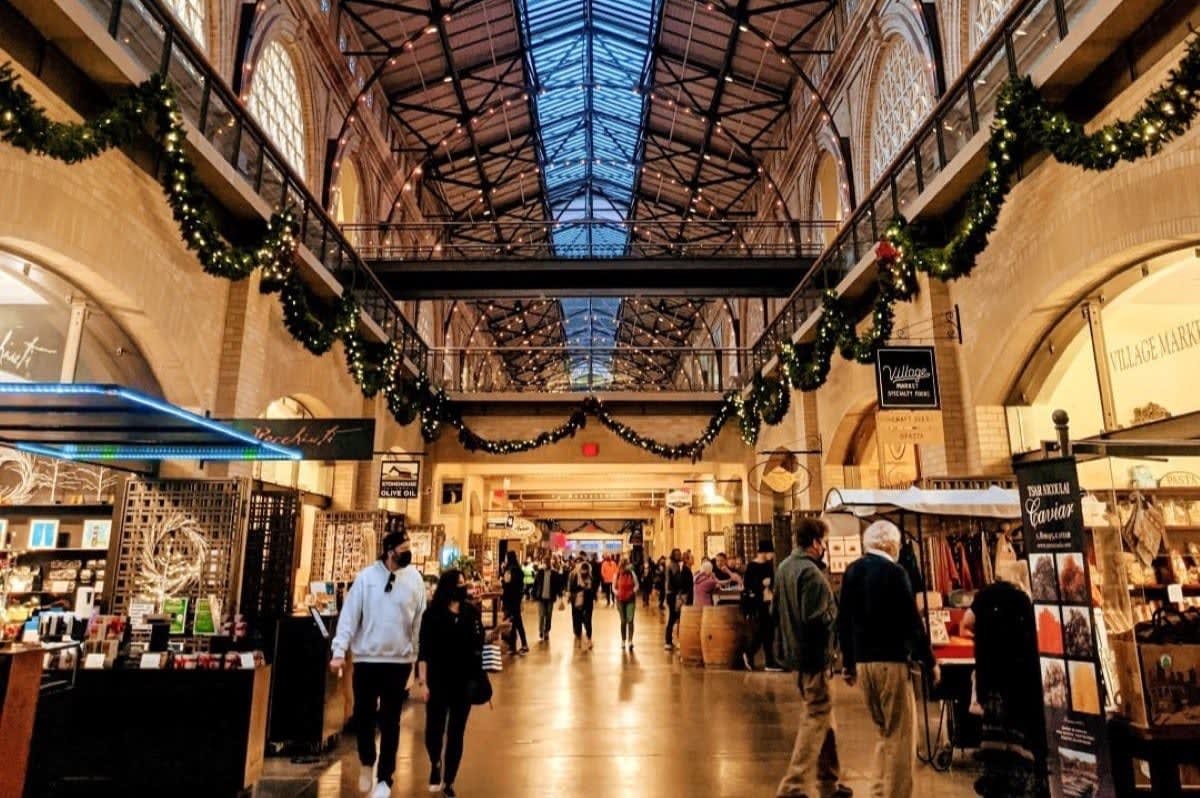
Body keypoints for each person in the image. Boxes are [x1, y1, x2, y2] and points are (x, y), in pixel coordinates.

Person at [839, 520, 938, 798]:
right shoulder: (895, 573)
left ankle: (878, 791)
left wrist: (847, 663)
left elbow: (843, 620)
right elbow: (911, 622)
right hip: (891, 663)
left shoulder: (852, 571)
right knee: (901, 737)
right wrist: (930, 662)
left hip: (862, 664)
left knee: (884, 731)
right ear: (891, 544)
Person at [330, 530, 426, 798]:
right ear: (389, 550)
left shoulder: (415, 580)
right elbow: (349, 617)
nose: (407, 552)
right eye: (403, 547)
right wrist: (339, 650)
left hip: (399, 661)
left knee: (391, 721)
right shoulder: (366, 579)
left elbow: (419, 621)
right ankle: (366, 760)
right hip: (367, 659)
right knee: (364, 714)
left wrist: (419, 660)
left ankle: (385, 778)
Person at [774, 518, 852, 798]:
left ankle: (829, 782)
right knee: (816, 716)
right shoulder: (812, 575)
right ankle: (792, 785)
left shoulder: (784, 568)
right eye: (824, 542)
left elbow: (777, 611)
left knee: (825, 718)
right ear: (816, 542)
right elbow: (818, 619)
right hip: (815, 658)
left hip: (794, 656)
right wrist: (837, 611)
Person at [417, 569, 484, 798]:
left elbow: (478, 644)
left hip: (463, 681)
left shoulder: (471, 613)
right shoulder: (432, 615)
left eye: (464, 583)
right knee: (434, 730)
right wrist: (423, 681)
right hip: (438, 680)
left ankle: (449, 781)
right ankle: (435, 761)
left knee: (457, 732)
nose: (463, 587)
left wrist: (494, 635)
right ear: (448, 587)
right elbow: (423, 650)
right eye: (460, 583)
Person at [742, 539, 781, 671]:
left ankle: (769, 661)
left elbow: (773, 581)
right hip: (758, 603)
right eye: (771, 552)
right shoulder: (752, 566)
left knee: (768, 632)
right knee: (762, 631)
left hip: (769, 601)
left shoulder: (768, 566)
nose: (773, 555)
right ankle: (750, 653)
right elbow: (748, 585)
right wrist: (761, 584)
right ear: (765, 552)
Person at [501, 550, 528, 655]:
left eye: (506, 557)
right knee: (515, 623)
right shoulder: (519, 570)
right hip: (517, 599)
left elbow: (506, 584)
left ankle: (519, 645)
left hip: (510, 600)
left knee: (514, 623)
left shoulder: (509, 570)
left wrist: (503, 573)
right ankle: (516, 645)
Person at [532, 554, 564, 642]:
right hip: (541, 598)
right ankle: (541, 631)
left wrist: (560, 594)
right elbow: (535, 585)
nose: (546, 564)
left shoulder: (554, 574)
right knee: (542, 615)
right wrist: (533, 594)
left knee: (549, 616)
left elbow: (558, 586)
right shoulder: (540, 573)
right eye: (544, 562)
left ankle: (547, 631)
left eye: (547, 562)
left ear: (550, 563)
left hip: (550, 598)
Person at [569, 560, 596, 650]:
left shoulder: (591, 578)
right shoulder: (575, 576)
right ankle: (579, 639)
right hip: (578, 602)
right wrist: (581, 588)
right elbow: (572, 589)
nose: (584, 572)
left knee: (588, 621)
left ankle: (589, 639)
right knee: (578, 621)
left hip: (588, 603)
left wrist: (590, 591)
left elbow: (594, 590)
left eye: (586, 570)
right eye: (583, 570)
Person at [614, 557, 640, 650]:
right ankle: (623, 640)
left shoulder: (632, 574)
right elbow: (614, 587)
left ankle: (630, 641)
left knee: (630, 620)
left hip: (630, 600)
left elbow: (637, 585)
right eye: (624, 564)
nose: (626, 566)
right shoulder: (617, 574)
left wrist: (632, 592)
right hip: (620, 600)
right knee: (623, 621)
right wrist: (617, 593)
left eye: (627, 564)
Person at [664, 548, 685, 649]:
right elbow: (676, 581)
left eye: (679, 554)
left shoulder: (673, 565)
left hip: (671, 593)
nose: (679, 556)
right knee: (673, 617)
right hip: (672, 594)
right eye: (677, 554)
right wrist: (679, 592)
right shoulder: (673, 566)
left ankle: (669, 640)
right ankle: (668, 640)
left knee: (674, 617)